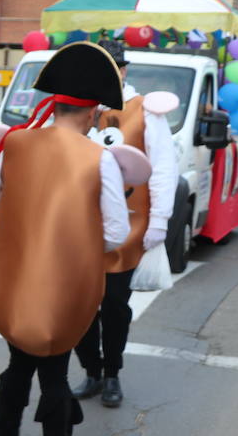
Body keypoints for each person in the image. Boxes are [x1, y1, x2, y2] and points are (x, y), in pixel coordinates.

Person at [0, 43, 140, 436]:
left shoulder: (18, 141)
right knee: (55, 374)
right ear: (94, 111)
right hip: (64, 288)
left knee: (17, 364)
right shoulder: (98, 158)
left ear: (57, 101)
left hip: (15, 281)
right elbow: (116, 233)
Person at [73, 41, 178, 408]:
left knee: (115, 304)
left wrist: (160, 220)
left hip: (130, 223)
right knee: (80, 305)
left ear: (123, 70)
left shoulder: (145, 111)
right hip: (80, 224)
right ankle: (91, 370)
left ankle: (112, 373)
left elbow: (164, 167)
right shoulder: (79, 109)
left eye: (114, 66)